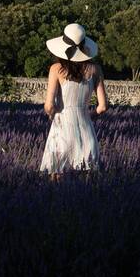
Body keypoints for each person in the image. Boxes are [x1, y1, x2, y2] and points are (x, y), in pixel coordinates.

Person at [40, 23, 107, 178]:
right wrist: (89, 115)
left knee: (56, 176)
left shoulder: (56, 69)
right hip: (86, 127)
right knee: (87, 179)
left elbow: (49, 105)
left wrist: (52, 114)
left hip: (62, 126)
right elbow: (103, 106)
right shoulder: (95, 69)